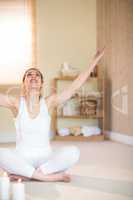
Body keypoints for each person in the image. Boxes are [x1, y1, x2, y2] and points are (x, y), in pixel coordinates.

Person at [0, 48, 105, 182]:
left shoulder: (49, 102)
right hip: (22, 157)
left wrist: (94, 61)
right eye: (29, 75)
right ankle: (44, 177)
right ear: (24, 84)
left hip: (46, 159)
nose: (33, 76)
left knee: (74, 152)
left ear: (41, 84)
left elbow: (74, 86)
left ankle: (32, 174)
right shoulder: (16, 103)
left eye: (37, 75)